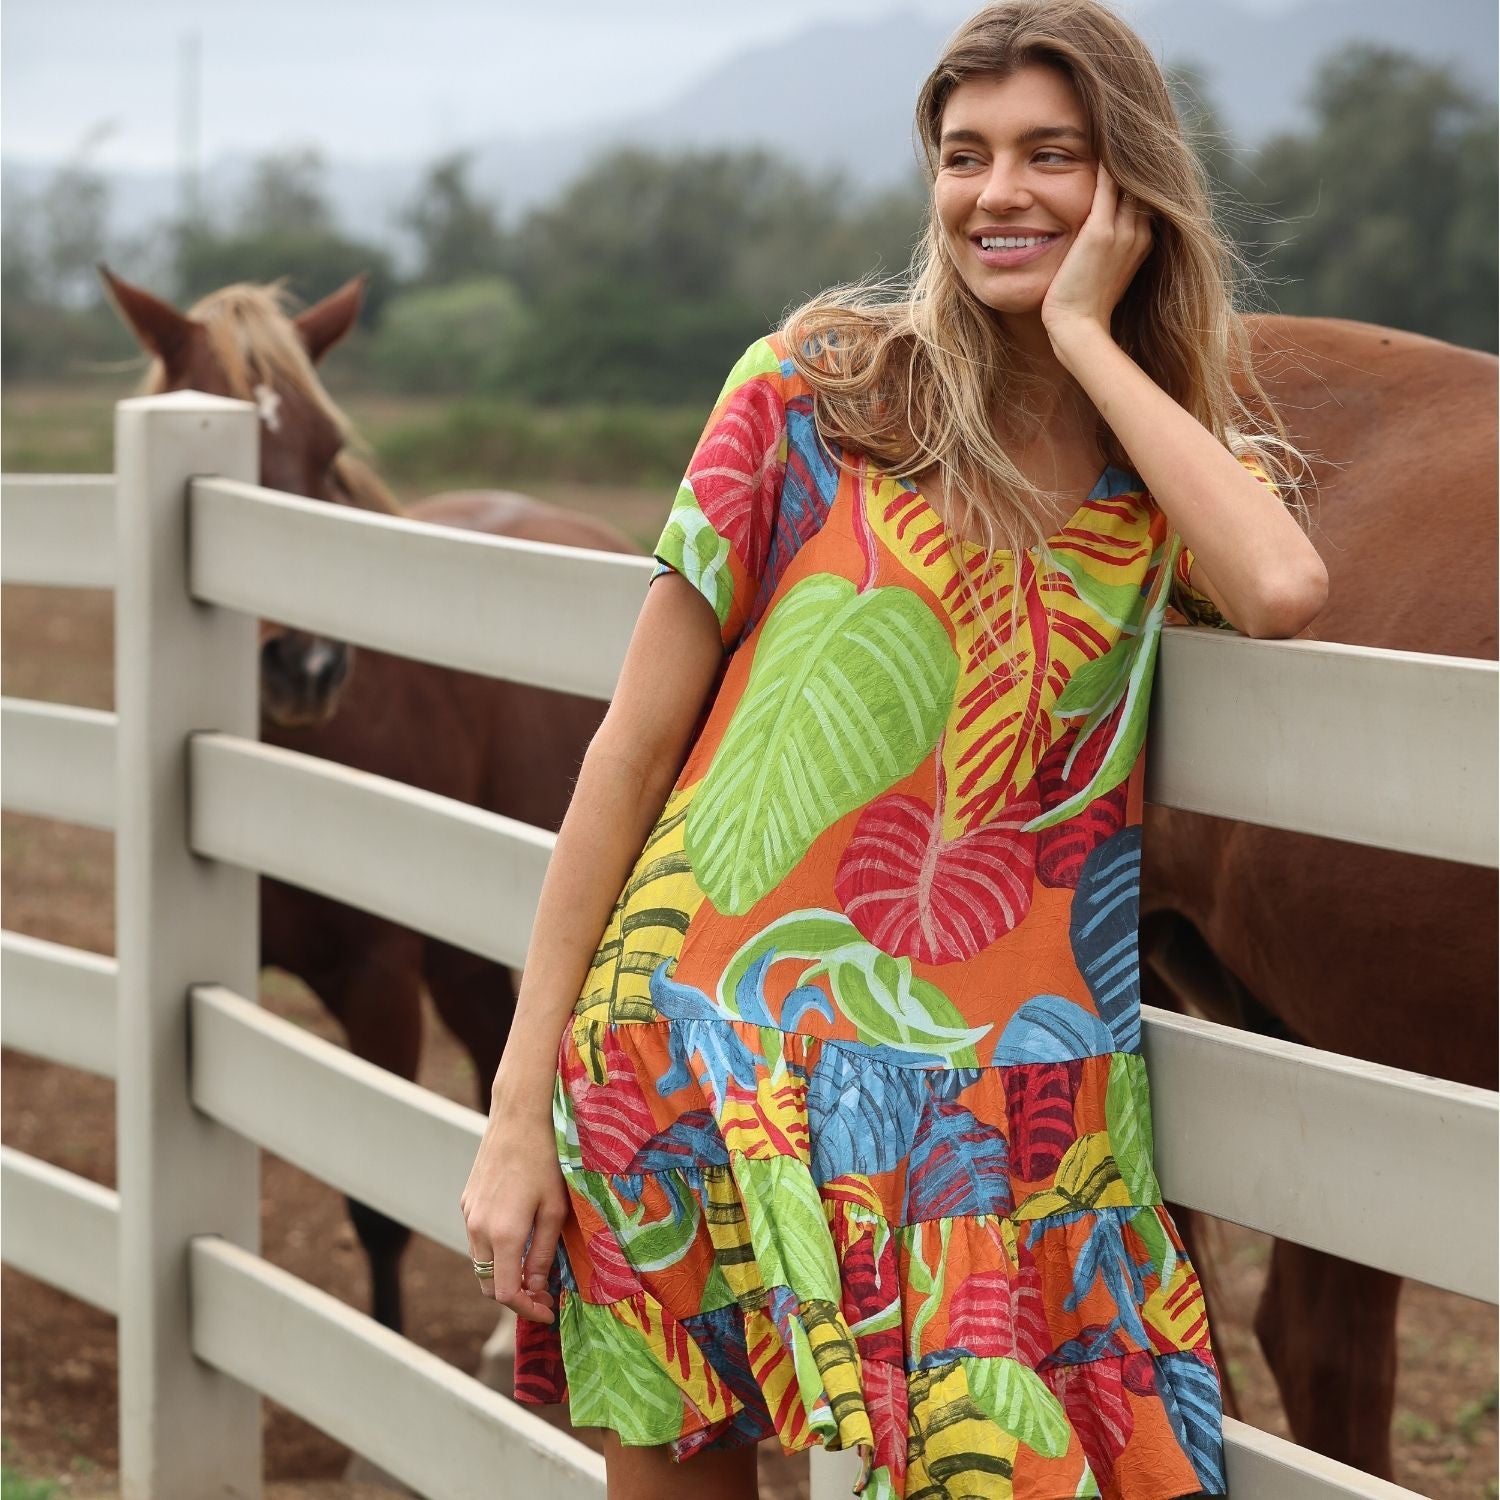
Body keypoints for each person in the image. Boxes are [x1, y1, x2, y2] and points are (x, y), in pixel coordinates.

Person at [460, 1, 1328, 1497]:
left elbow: (1283, 586)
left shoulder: (1162, 470)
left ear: (1132, 185)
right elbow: (630, 752)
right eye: (964, 155)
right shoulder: (817, 390)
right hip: (694, 1064)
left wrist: (1081, 336)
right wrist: (514, 1115)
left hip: (1011, 1114)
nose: (998, 193)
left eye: (1052, 155)